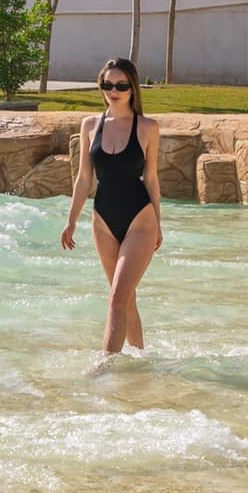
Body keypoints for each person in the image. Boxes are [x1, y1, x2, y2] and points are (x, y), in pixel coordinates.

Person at [61, 57, 163, 354]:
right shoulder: (90, 125)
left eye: (121, 85)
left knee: (117, 297)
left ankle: (105, 368)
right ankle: (139, 361)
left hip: (140, 220)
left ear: (132, 88)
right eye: (107, 84)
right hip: (102, 219)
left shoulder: (147, 127)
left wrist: (159, 223)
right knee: (125, 298)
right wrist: (70, 221)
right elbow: (83, 178)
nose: (113, 90)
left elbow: (152, 179)